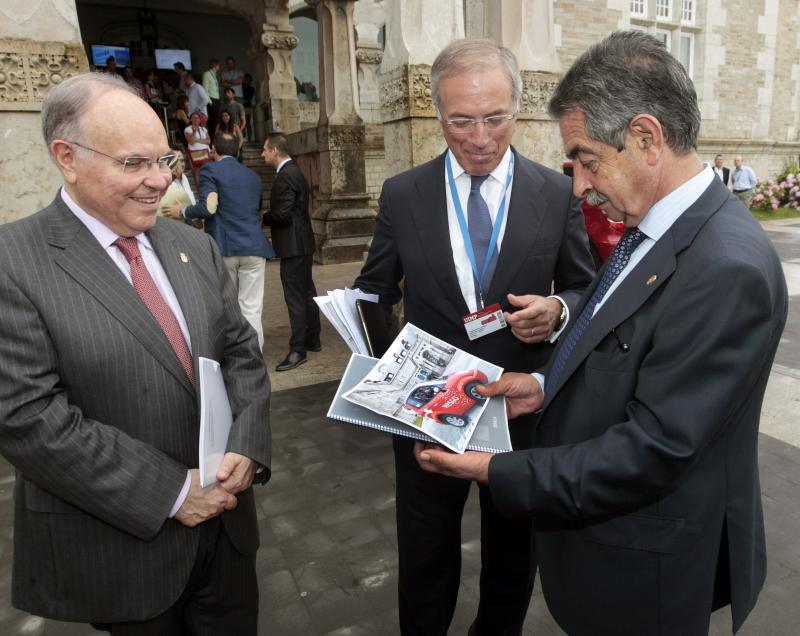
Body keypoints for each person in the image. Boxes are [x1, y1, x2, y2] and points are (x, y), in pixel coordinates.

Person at [414, 30, 788, 636]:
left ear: (645, 138)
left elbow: (653, 450)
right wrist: (539, 386)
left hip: (646, 574)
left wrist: (493, 471)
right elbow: (620, 341)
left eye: (588, 160)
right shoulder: (654, 227)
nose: (580, 185)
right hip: (609, 554)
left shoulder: (726, 269)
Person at [0, 72, 271, 634]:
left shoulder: (194, 243)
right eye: (132, 164)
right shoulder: (14, 261)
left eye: (165, 160)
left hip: (228, 539)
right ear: (66, 157)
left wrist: (247, 444)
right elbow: (28, 417)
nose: (159, 183)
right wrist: (174, 493)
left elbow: (241, 351)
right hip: (125, 551)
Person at [353, 38, 595, 636]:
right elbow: (372, 292)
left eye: (496, 119)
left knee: (513, 550)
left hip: (519, 409)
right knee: (425, 549)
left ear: (517, 109)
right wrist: (381, 367)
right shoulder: (404, 194)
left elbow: (587, 289)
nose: (481, 137)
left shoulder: (555, 192)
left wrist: (559, 310)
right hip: (427, 411)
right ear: (438, 116)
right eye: (461, 121)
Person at [165, 133, 276, 350]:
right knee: (252, 307)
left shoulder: (210, 170)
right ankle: (255, 353)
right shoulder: (253, 176)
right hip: (254, 246)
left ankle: (236, 354)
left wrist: (184, 210)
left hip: (225, 247)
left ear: (213, 149)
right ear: (237, 150)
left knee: (228, 306)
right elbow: (257, 209)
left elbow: (209, 207)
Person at [262, 133, 321, 371]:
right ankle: (312, 338)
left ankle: (298, 350)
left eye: (265, 150)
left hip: (294, 246)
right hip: (302, 243)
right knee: (306, 293)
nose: (262, 154)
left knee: (296, 298)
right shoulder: (293, 171)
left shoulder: (286, 176)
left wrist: (265, 217)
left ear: (275, 151)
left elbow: (283, 214)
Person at [158, 152, 196, 217]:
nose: (181, 164)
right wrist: (184, 212)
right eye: (178, 161)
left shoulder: (184, 178)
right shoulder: (175, 191)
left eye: (182, 160)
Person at [185, 111, 211, 185]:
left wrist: (197, 140)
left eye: (197, 117)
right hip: (195, 152)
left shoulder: (203, 129)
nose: (196, 119)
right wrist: (194, 132)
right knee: (197, 171)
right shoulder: (188, 129)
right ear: (191, 120)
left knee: (207, 170)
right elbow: (191, 142)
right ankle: (199, 188)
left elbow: (208, 141)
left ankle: (207, 185)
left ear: (200, 119)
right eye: (194, 117)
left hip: (205, 152)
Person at [202, 58, 221, 137]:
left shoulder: (214, 75)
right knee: (212, 121)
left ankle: (214, 137)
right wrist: (209, 101)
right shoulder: (207, 74)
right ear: (215, 65)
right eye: (218, 66)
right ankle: (211, 138)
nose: (219, 67)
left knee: (216, 120)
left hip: (216, 99)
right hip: (211, 99)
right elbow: (205, 89)